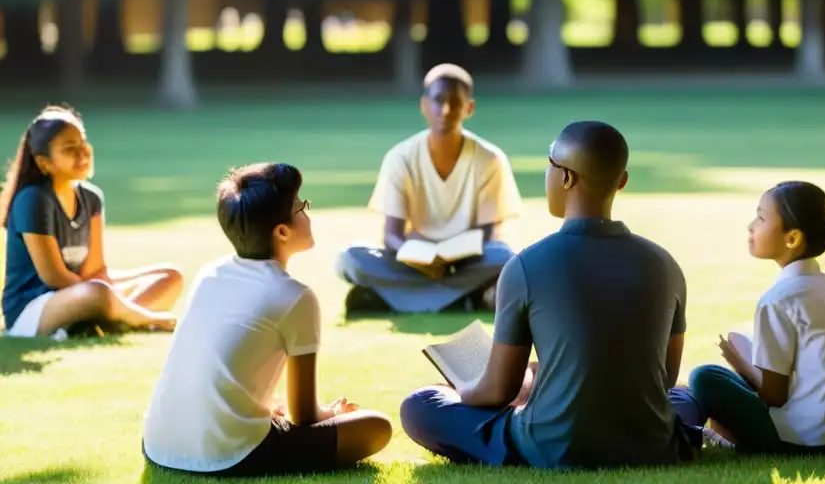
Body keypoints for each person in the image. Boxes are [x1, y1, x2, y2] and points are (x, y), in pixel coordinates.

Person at [400, 121, 699, 469]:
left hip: (553, 444)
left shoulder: (526, 266)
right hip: (652, 443)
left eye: (549, 164)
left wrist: (463, 391)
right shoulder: (665, 264)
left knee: (420, 404)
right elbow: (663, 379)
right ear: (621, 181)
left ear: (567, 178)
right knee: (687, 394)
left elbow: (499, 392)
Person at [142, 162, 392, 477]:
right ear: (282, 231)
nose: (307, 213)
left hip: (158, 443)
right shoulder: (294, 296)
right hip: (230, 454)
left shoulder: (210, 273)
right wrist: (333, 413)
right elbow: (304, 415)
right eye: (301, 207)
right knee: (376, 427)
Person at [674, 182, 825, 455]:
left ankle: (704, 433)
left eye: (760, 217)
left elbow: (774, 396)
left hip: (810, 440)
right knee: (728, 375)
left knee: (705, 377)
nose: (751, 226)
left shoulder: (778, 298)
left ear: (792, 238)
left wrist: (741, 363)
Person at [337, 63, 522, 314]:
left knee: (504, 257)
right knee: (351, 258)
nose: (445, 110)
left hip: (467, 260)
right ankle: (463, 299)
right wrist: (418, 251)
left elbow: (487, 233)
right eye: (438, 100)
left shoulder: (490, 159)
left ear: (469, 108)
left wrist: (449, 254)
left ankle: (392, 298)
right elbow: (391, 234)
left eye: (455, 102)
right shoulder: (400, 157)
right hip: (414, 260)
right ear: (424, 105)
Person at [2, 105, 181, 337]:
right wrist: (102, 293)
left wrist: (104, 291)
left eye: (83, 144)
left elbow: (95, 270)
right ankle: (145, 319)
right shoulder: (33, 199)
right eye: (69, 149)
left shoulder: (92, 197)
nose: (82, 154)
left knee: (170, 276)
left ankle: (104, 323)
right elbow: (53, 276)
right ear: (43, 162)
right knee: (99, 293)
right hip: (34, 308)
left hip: (83, 292)